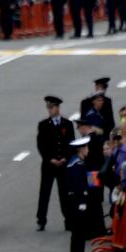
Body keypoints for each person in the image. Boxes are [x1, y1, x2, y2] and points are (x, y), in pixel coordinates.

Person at [36, 95, 75, 231]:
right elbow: (41, 145)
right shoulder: (43, 125)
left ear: (57, 108)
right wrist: (50, 159)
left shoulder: (67, 124)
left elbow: (71, 143)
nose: (49, 110)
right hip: (49, 164)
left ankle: (69, 220)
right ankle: (41, 220)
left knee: (64, 193)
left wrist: (65, 158)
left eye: (52, 107)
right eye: (48, 107)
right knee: (45, 192)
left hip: (63, 164)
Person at [64, 134, 96, 252]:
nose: (88, 149)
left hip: (74, 201)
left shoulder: (76, 162)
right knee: (79, 232)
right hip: (77, 202)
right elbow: (79, 186)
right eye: (86, 147)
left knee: (77, 232)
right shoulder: (77, 164)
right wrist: (82, 202)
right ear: (81, 149)